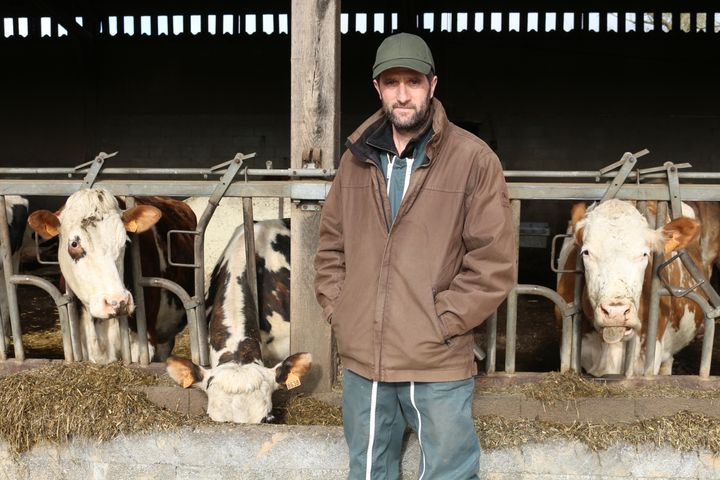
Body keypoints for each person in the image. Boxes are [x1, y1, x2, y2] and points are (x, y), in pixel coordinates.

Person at [314, 32, 516, 479]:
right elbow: (330, 245)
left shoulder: (473, 159)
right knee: (368, 470)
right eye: (392, 82)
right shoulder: (356, 159)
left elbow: (492, 262)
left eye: (413, 82)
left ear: (433, 84)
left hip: (436, 360)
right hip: (365, 359)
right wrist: (341, 309)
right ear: (377, 88)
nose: (403, 95)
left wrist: (441, 320)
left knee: (449, 471)